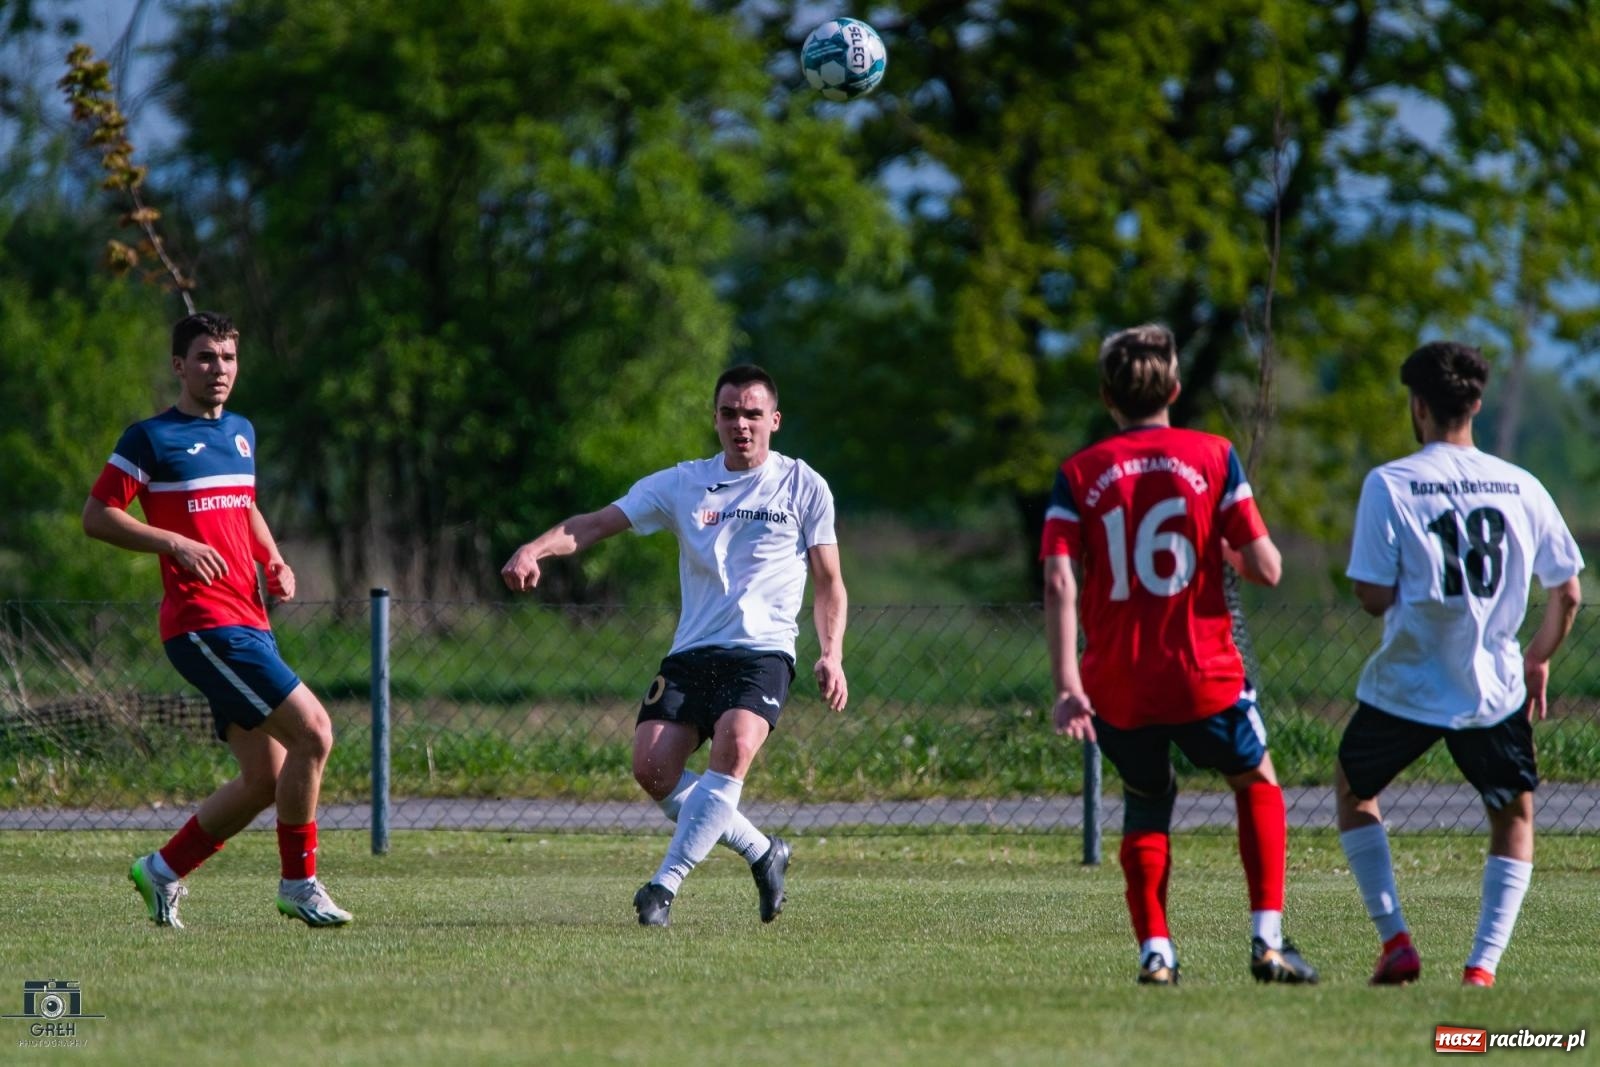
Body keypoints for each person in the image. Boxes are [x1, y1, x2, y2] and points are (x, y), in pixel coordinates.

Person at [501, 364, 848, 926]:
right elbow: (593, 524)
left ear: (774, 421)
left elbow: (830, 581)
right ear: (715, 418)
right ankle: (764, 850)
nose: (742, 424)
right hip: (693, 653)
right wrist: (533, 549)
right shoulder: (683, 483)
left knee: (732, 750)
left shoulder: (804, 486)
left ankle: (662, 888)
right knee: (652, 769)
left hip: (763, 653)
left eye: (753, 414)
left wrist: (831, 652)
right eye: (730, 413)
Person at [1043, 323, 1318, 986]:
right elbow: (1267, 568)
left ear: (1107, 395)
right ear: (1174, 387)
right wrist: (1224, 550)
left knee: (1146, 800)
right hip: (1204, 673)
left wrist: (1065, 682)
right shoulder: (1214, 455)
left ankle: (1157, 952)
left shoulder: (1079, 472)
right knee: (1256, 781)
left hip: (1117, 682)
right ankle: (1267, 941)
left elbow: (1058, 578)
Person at [83, 312, 351, 929]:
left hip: (249, 618)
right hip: (203, 625)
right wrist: (172, 544)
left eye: (228, 358)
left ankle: (161, 871)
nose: (219, 370)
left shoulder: (241, 432)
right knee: (314, 731)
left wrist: (274, 557)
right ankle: (300, 884)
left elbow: (244, 504)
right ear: (179, 366)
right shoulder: (150, 439)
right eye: (205, 358)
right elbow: (97, 516)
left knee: (265, 778)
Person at [1338, 341, 1583, 988]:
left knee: (1353, 787)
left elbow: (1369, 594)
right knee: (1513, 816)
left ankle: (1396, 940)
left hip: (1409, 682)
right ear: (1476, 403)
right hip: (1493, 689)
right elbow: (1569, 590)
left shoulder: (1390, 482)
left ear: (1418, 406)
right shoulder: (1522, 485)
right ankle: (1482, 968)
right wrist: (1538, 656)